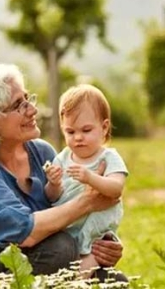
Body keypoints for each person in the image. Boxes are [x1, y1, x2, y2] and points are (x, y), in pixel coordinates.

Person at [0, 64, 124, 282]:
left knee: (113, 280)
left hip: (25, 256)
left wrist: (103, 244)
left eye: (28, 98)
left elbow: (63, 215)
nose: (32, 110)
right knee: (60, 250)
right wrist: (89, 201)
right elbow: (25, 232)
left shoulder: (41, 152)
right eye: (18, 104)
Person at [43, 84, 128, 278]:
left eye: (86, 130)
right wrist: (53, 184)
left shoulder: (108, 157)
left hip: (95, 232)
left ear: (104, 127)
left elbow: (116, 189)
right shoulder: (62, 158)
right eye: (70, 132)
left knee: (81, 273)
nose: (78, 138)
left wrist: (91, 178)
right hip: (68, 225)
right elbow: (51, 197)